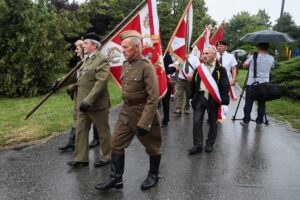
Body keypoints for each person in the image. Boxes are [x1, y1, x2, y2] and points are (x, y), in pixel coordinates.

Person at [95, 30, 162, 191]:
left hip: (143, 112)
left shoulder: (146, 66)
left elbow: (154, 97)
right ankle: (116, 178)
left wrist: (145, 122)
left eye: (126, 47)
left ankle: (153, 175)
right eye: (122, 47)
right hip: (126, 111)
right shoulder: (125, 64)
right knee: (116, 143)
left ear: (137, 48)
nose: (122, 50)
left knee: (152, 147)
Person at [63, 32, 111, 168]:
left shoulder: (101, 59)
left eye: (85, 43)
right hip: (83, 104)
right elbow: (81, 79)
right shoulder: (86, 59)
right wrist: (64, 84)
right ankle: (81, 158)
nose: (83, 45)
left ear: (94, 45)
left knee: (103, 132)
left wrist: (88, 101)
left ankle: (107, 157)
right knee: (80, 130)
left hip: (96, 105)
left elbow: (100, 82)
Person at [57, 40, 100, 151]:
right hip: (79, 95)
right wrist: (58, 83)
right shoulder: (79, 63)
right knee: (77, 117)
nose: (75, 50)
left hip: (91, 95)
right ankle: (72, 142)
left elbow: (92, 81)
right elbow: (71, 77)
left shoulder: (93, 61)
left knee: (96, 119)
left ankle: (98, 140)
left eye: (78, 48)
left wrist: (74, 86)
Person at [188, 46, 230, 154]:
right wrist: (191, 97)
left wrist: (225, 102)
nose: (204, 56)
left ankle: (210, 143)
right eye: (203, 53)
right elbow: (193, 84)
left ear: (214, 55)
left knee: (213, 122)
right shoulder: (199, 68)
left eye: (207, 54)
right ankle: (197, 145)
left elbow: (225, 87)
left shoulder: (221, 69)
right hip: (200, 97)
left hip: (213, 99)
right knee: (197, 122)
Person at [240, 43, 274, 127]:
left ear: (258, 47)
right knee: (262, 103)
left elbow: (244, 66)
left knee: (249, 102)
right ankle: (259, 122)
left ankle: (246, 121)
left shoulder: (253, 57)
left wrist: (249, 58)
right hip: (265, 83)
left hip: (252, 83)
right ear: (268, 48)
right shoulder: (271, 58)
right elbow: (270, 68)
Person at [174, 47, 200, 115]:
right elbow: (177, 64)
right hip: (180, 79)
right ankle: (178, 108)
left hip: (190, 80)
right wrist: (177, 66)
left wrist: (192, 75)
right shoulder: (181, 57)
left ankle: (187, 108)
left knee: (188, 95)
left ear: (190, 50)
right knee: (179, 94)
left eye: (186, 49)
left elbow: (198, 68)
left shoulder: (195, 58)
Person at [161, 52, 176, 127]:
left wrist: (163, 72)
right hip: (152, 83)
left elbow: (173, 69)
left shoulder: (166, 56)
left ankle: (165, 120)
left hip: (165, 82)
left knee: (165, 103)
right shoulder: (149, 54)